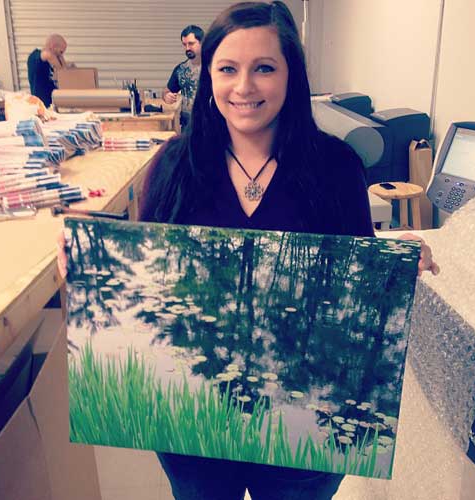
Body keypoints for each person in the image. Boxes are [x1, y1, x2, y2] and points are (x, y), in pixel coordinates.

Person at [136, 2, 439, 499]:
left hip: (307, 423)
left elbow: (354, 285)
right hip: (196, 429)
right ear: (207, 75)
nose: (244, 87)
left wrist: (392, 262)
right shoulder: (174, 166)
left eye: (264, 69)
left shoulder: (335, 167)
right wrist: (84, 263)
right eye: (228, 69)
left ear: (290, 75)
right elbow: (150, 274)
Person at [162, 25, 204, 129]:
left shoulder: (215, 67)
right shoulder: (181, 70)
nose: (187, 48)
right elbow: (166, 91)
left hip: (212, 124)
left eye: (191, 44)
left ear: (202, 42)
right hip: (188, 125)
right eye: (184, 44)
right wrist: (167, 96)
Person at [27, 34, 71, 107]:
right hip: (43, 106)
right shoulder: (35, 56)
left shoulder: (50, 61)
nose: (61, 55)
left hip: (53, 104)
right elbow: (48, 54)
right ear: (53, 46)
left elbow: (64, 72)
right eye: (61, 52)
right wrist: (61, 69)